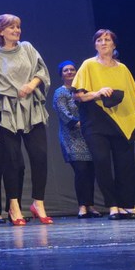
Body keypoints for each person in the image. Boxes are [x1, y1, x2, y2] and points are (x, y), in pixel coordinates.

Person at [71, 29, 135, 219]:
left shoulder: (122, 68)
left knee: (125, 165)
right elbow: (78, 95)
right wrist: (97, 93)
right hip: (96, 120)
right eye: (99, 40)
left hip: (123, 119)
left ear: (114, 44)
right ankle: (112, 205)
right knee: (102, 161)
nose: (103, 43)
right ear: (95, 45)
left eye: (107, 40)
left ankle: (126, 204)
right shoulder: (88, 65)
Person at [0, 14, 52, 225]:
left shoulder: (27, 48)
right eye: (11, 27)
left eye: (18, 27)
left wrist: (31, 85)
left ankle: (38, 203)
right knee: (12, 160)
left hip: (31, 108)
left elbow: (41, 71)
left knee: (39, 156)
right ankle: (14, 206)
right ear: (0, 31)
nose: (16, 30)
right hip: (7, 111)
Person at [52, 61, 99, 218]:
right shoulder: (60, 92)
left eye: (72, 69)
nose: (70, 72)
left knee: (90, 171)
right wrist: (81, 124)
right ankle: (82, 206)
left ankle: (90, 205)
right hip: (71, 137)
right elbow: (63, 113)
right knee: (81, 171)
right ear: (61, 74)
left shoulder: (82, 91)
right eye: (66, 70)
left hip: (88, 136)